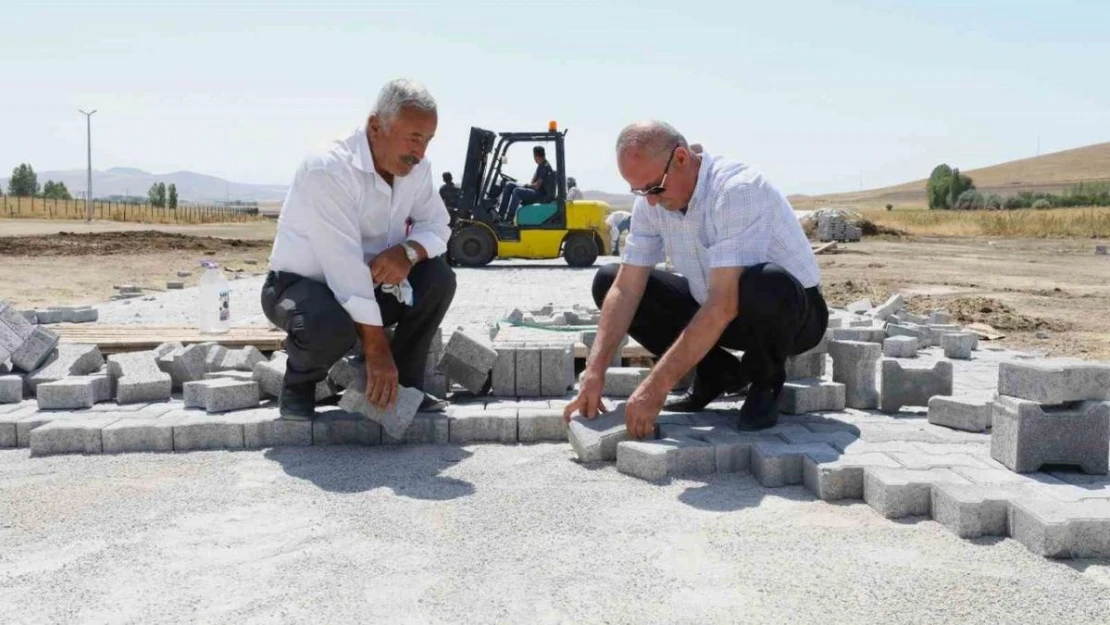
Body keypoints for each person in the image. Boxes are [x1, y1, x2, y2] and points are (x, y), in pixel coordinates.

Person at [564, 121, 827, 437]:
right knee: (607, 281)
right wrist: (594, 371)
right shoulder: (652, 199)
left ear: (681, 159)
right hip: (719, 308)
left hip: (791, 316)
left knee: (764, 284)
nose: (649, 200)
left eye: (654, 188)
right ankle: (716, 373)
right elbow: (626, 287)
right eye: (639, 191)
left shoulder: (736, 190)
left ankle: (765, 384)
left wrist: (656, 386)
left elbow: (724, 304)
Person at [262, 79, 456, 420]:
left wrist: (408, 252)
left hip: (368, 281)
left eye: (428, 140)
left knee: (438, 277)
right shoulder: (329, 167)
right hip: (300, 287)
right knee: (329, 325)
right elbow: (344, 270)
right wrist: (377, 350)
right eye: (413, 138)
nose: (421, 152)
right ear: (376, 126)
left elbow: (439, 226)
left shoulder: (417, 169)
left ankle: (404, 386)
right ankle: (299, 384)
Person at [498, 145, 554, 222]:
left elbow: (537, 186)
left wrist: (527, 185)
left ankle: (509, 218)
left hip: (540, 194)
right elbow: (534, 182)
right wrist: (528, 185)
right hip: (536, 191)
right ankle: (500, 215)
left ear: (536, 156)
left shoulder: (544, 167)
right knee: (509, 185)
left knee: (517, 191)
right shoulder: (541, 165)